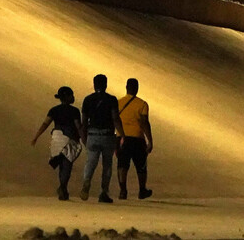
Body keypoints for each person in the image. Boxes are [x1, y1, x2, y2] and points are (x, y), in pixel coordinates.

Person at [31, 86, 83, 200]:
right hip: (69, 140)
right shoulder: (74, 111)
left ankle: (63, 188)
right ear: (67, 97)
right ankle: (63, 187)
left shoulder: (53, 110)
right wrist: (84, 139)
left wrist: (36, 136)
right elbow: (78, 127)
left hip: (56, 139)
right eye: (71, 95)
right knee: (67, 165)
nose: (73, 97)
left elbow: (45, 124)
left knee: (61, 166)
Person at [80, 74, 125, 203]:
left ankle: (86, 181)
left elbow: (84, 121)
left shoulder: (87, 99)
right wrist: (122, 134)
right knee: (107, 165)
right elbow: (115, 118)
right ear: (105, 84)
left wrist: (84, 137)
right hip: (107, 136)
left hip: (92, 135)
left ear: (94, 85)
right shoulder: (111, 99)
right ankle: (103, 192)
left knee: (90, 162)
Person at [116, 78, 153, 200]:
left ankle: (123, 191)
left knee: (122, 164)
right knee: (141, 166)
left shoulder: (118, 103)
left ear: (126, 87)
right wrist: (150, 141)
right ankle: (142, 190)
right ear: (137, 88)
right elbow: (144, 122)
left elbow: (114, 120)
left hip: (121, 137)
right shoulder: (142, 104)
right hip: (137, 138)